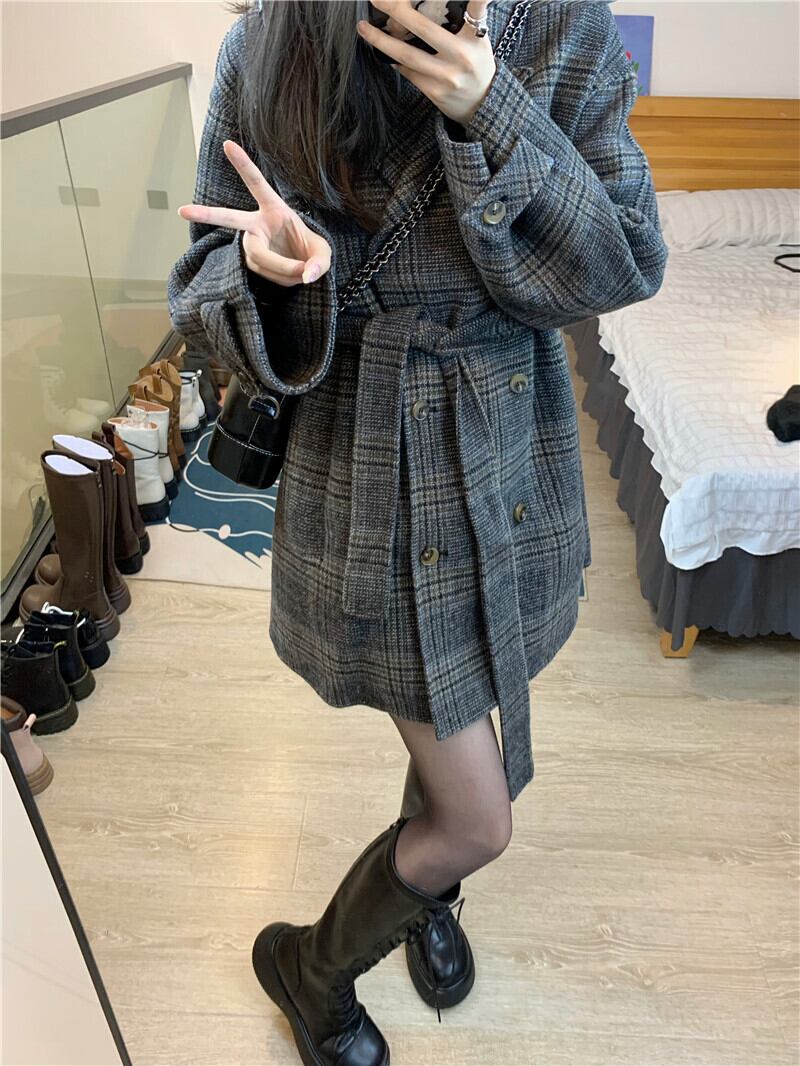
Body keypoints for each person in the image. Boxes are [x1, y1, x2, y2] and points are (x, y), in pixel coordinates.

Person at [167, 1, 668, 1062]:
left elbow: (625, 260)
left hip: (508, 451)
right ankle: (313, 965)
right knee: (480, 816)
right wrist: (267, 278)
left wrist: (495, 113)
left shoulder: (560, 28)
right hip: (368, 463)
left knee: (467, 705)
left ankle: (428, 882)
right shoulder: (268, 44)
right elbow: (202, 291)